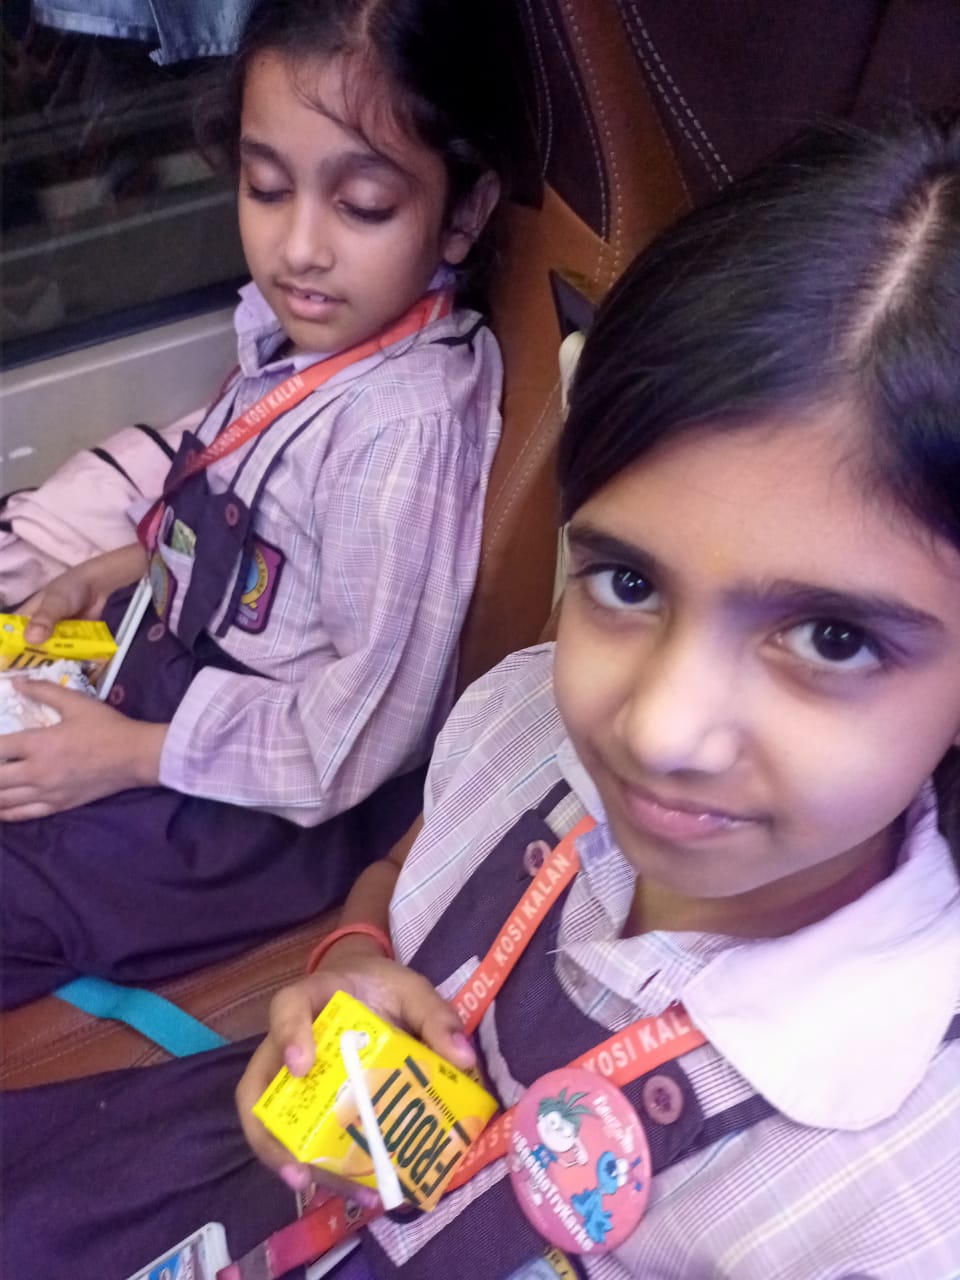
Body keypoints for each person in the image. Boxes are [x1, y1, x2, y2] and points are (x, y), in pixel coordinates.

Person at [4, 114, 959, 1279]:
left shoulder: (909, 1195)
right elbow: (397, 872)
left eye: (832, 637)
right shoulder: (522, 722)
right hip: (251, 1191)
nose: (659, 727)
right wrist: (351, 960)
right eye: (627, 581)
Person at [0, 0, 521, 1008]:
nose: (299, 248)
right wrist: (125, 568)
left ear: (462, 214)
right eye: (267, 188)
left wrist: (129, 758)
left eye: (362, 205)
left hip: (260, 806)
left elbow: (359, 736)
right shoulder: (306, 342)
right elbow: (257, 543)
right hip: (175, 675)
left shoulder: (399, 433)